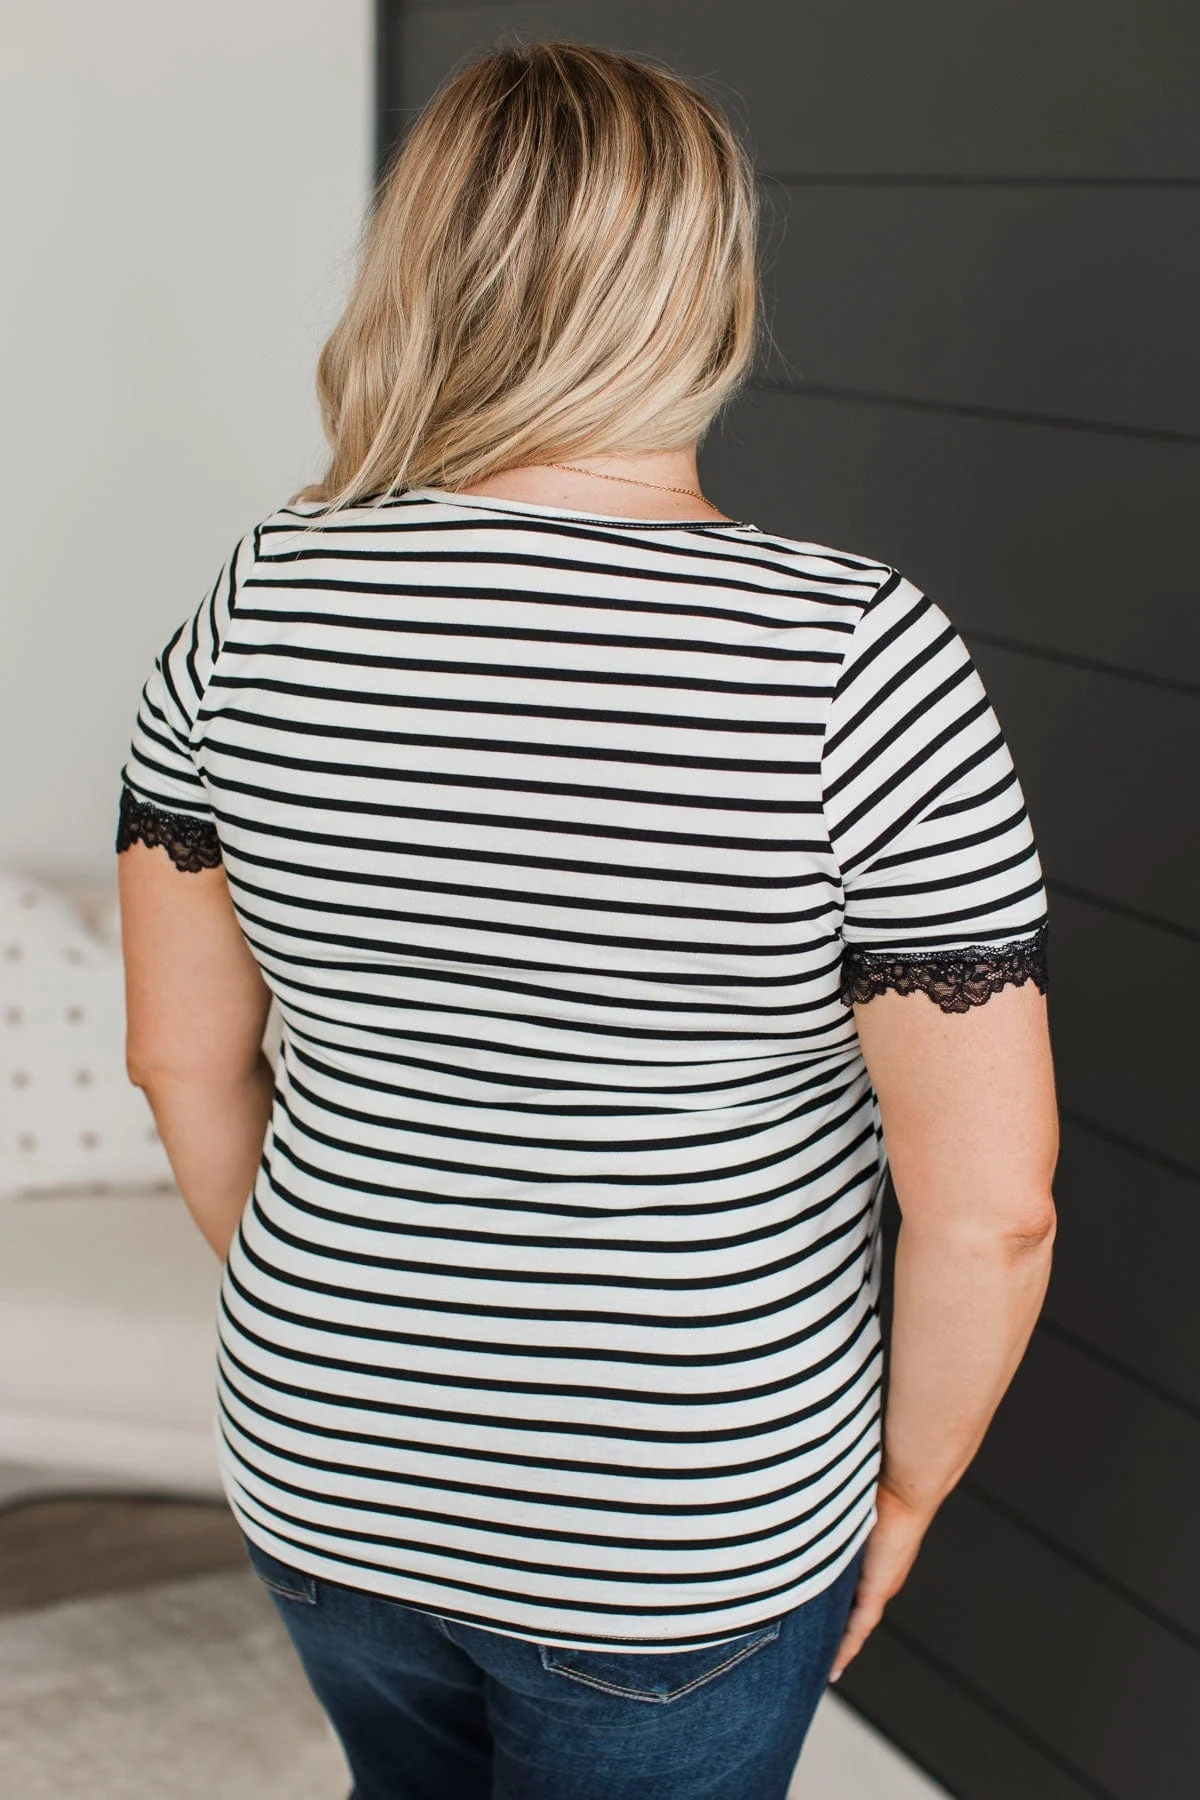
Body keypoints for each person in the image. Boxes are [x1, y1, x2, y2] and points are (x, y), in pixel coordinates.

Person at [115, 40, 1058, 1800]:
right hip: (678, 1515)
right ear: (706, 284)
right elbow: (991, 1212)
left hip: (323, 1452)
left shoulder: (256, 603)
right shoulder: (854, 659)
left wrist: (347, 1325)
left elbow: (181, 1054)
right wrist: (908, 1495)